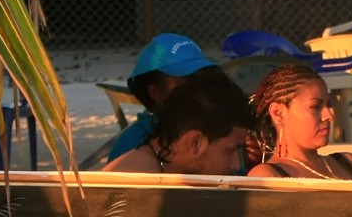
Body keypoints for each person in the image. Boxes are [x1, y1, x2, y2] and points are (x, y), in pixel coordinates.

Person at [246, 65, 352, 181]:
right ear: (278, 112)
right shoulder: (266, 176)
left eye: (329, 104)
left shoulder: (349, 162)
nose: (329, 115)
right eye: (315, 107)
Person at [103, 68, 254, 176]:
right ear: (196, 143)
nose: (236, 165)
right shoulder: (135, 180)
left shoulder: (165, 169)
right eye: (231, 150)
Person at [101, 34, 222, 163]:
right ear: (156, 93)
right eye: (181, 84)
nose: (194, 89)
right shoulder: (134, 143)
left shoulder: (217, 131)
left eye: (199, 80)